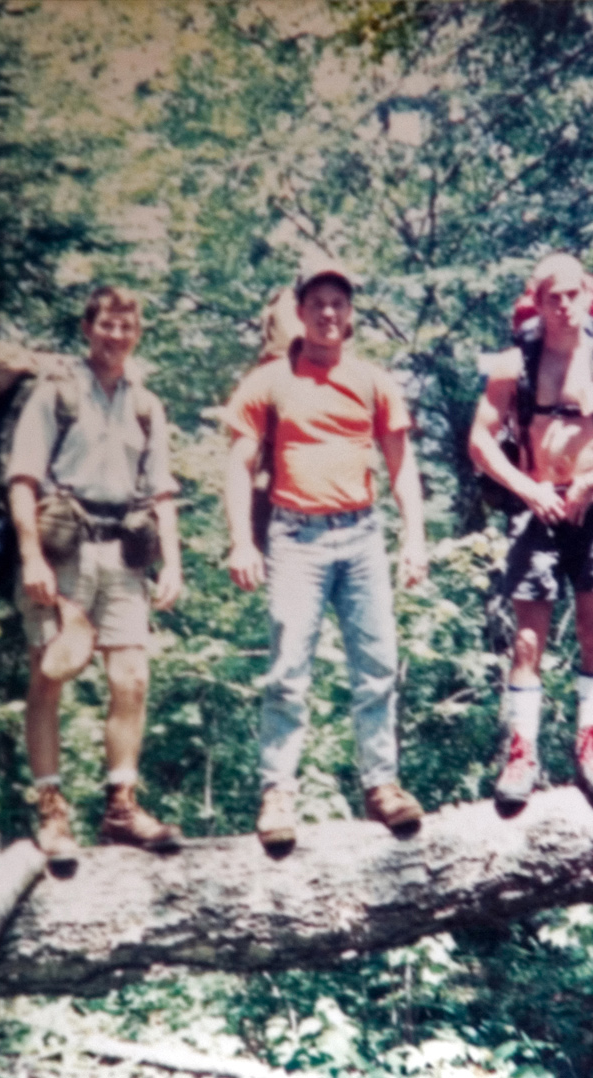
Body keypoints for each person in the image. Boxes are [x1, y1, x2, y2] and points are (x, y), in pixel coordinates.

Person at [223, 257, 430, 856]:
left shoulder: (372, 381)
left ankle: (382, 785)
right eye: (318, 304)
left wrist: (413, 539)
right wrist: (243, 540)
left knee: (378, 666)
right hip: (295, 539)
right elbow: (238, 465)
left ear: (350, 314)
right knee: (288, 671)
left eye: (339, 303)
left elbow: (400, 467)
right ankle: (277, 793)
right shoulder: (269, 383)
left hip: (362, 537)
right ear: (301, 311)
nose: (329, 314)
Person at [467, 253, 593, 818]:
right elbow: (480, 443)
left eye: (573, 294)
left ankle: (592, 745)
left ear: (588, 297)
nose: (563, 304)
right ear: (539, 299)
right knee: (529, 639)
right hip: (536, 507)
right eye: (553, 295)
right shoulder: (512, 366)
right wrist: (528, 491)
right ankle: (522, 754)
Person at [6, 286, 184, 874]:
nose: (116, 335)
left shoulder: (145, 404)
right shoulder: (54, 395)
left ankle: (121, 806)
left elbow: (160, 490)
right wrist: (31, 557)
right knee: (50, 672)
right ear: (88, 327)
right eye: (106, 324)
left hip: (125, 553)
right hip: (63, 550)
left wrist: (174, 563)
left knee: (131, 676)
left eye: (127, 326)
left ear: (137, 333)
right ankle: (52, 808)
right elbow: (23, 480)